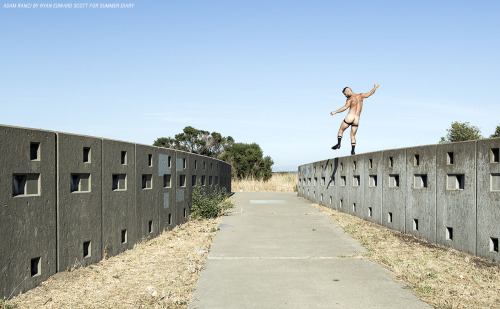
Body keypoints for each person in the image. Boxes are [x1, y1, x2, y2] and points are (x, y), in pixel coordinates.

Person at [330, 84, 379, 155]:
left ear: (348, 91)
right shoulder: (361, 96)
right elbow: (369, 94)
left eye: (345, 94)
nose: (345, 96)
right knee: (353, 136)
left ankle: (338, 144)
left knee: (341, 130)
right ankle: (353, 151)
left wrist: (335, 111)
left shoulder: (350, 99)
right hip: (356, 119)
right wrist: (375, 87)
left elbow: (345, 108)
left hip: (350, 116)